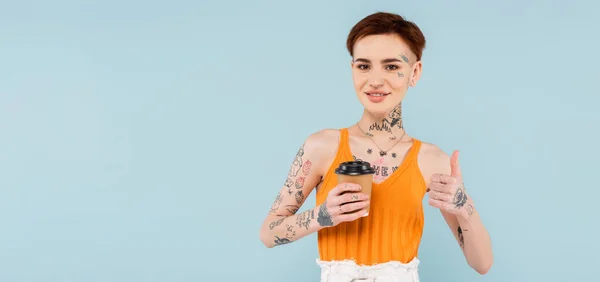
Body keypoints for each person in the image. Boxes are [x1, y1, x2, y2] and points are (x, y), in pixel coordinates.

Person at [259, 11, 493, 282]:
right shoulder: (321, 146)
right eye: (364, 66)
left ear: (414, 72)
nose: (375, 80)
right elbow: (268, 233)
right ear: (352, 70)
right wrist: (323, 215)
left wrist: (463, 206)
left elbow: (482, 263)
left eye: (392, 66)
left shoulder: (431, 160)